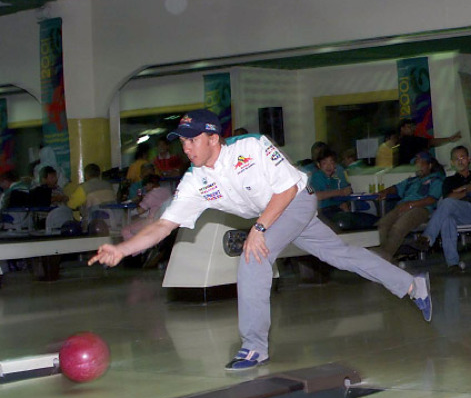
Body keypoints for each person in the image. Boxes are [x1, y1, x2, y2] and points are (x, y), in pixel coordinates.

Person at [89, 110, 432, 371]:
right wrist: (121, 249)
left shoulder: (251, 146)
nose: (186, 146)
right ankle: (413, 286)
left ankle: (254, 346)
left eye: (192, 139)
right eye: (183, 141)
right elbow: (163, 226)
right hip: (274, 213)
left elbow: (286, 189)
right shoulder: (194, 182)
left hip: (296, 199)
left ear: (213, 138)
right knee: (341, 255)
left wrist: (260, 229)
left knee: (254, 255)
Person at [410, 146, 471, 272]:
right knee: (447, 219)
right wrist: (470, 190)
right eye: (456, 159)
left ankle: (427, 237)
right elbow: (451, 196)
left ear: (468, 159)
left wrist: (462, 189)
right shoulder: (449, 181)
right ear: (452, 163)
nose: (460, 161)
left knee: (447, 204)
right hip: (454, 214)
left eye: (463, 157)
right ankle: (452, 263)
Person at [375, 151, 444, 260]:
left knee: (398, 227)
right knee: (382, 225)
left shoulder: (436, 180)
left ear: (429, 166)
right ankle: (384, 256)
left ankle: (383, 259)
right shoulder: (411, 181)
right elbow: (396, 188)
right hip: (402, 207)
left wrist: (411, 205)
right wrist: (386, 191)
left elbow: (431, 199)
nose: (418, 166)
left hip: (421, 209)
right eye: (416, 163)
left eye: (422, 163)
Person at [309, 148, 377, 231]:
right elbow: (316, 196)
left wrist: (344, 204)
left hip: (336, 210)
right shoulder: (317, 176)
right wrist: (340, 192)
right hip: (322, 212)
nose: (329, 166)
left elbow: (340, 199)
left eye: (332, 162)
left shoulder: (335, 179)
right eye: (324, 163)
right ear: (319, 165)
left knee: (372, 220)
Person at [121, 174, 173, 242]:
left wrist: (128, 212)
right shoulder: (167, 191)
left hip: (152, 222)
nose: (145, 187)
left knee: (126, 230)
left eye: (145, 185)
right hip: (164, 221)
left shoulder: (151, 195)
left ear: (150, 184)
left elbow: (140, 211)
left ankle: (136, 251)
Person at [397, 119, 461, 165]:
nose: (412, 129)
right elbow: (430, 142)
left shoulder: (400, 140)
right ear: (402, 128)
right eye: (409, 127)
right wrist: (449, 139)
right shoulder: (409, 140)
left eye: (412, 127)